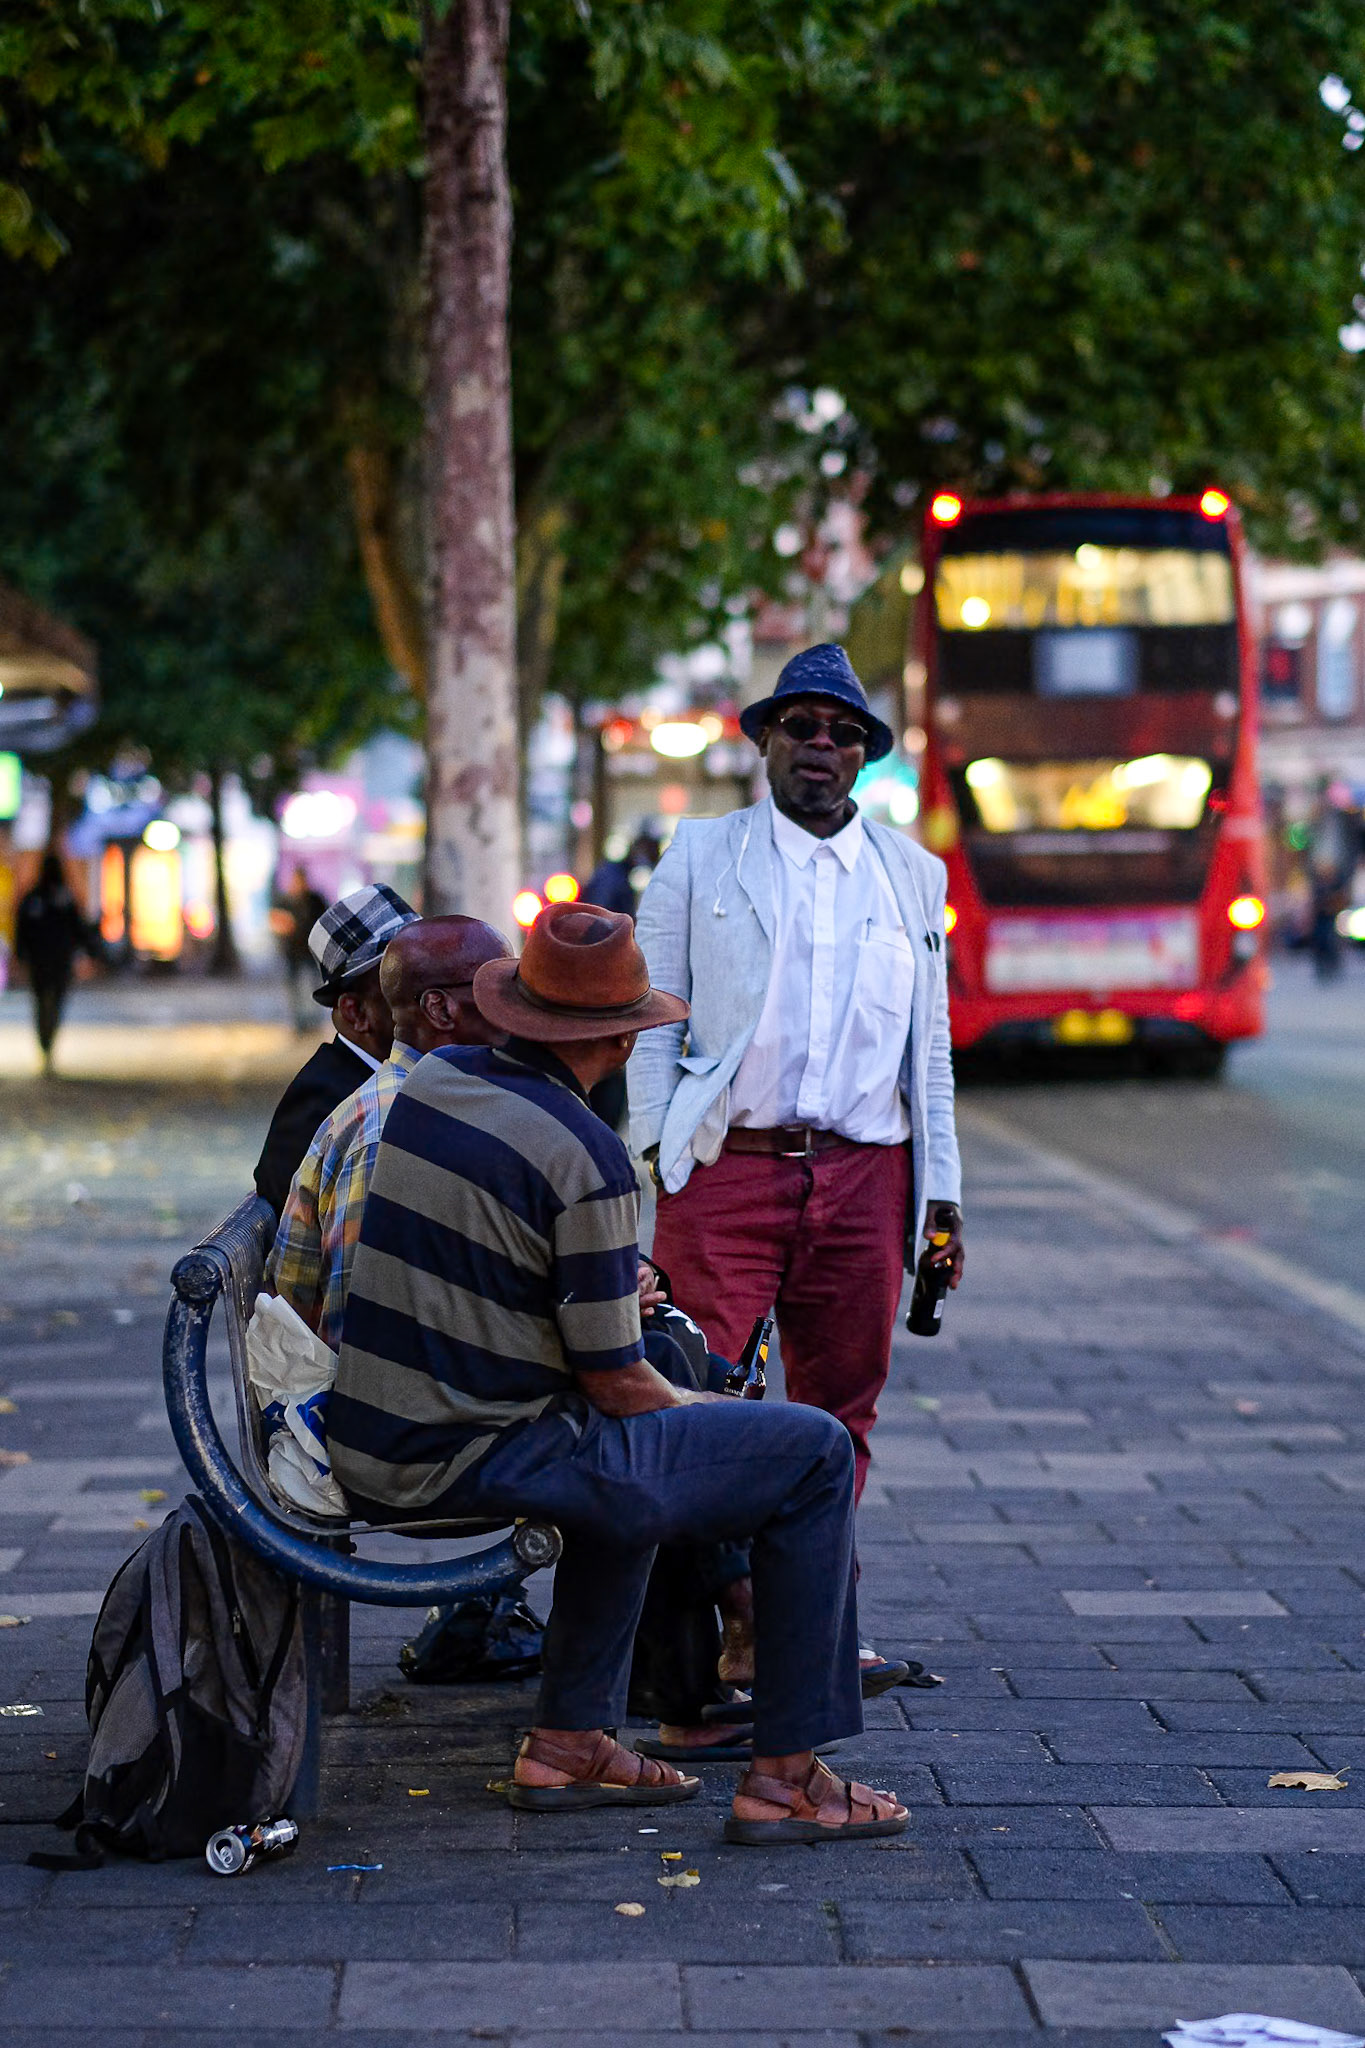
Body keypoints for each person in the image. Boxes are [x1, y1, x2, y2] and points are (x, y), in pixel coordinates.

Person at [330, 902, 907, 1843]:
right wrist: (703, 1405)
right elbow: (617, 1383)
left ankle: (568, 1743)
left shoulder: (438, 1083)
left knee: (647, 1452)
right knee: (811, 1452)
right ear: (620, 1039)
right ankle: (788, 1782)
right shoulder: (587, 1155)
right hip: (465, 1451)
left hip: (380, 1429)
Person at [629, 641, 963, 1686]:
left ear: (863, 754)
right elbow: (652, 1019)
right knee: (695, 1396)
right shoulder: (701, 853)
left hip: (868, 1173)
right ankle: (741, 1616)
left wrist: (942, 1200)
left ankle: (808, 1623)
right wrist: (656, 1153)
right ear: (766, 739)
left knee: (840, 1408)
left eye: (843, 732)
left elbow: (930, 1052)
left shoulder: (913, 875)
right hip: (727, 1164)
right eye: (801, 725)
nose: (821, 745)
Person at [266, 914, 513, 1348]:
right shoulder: (391, 1129)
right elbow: (362, 1330)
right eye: (499, 986)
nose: (514, 1003)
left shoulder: (439, 1098)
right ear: (439, 1008)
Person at [253, 883, 418, 1219]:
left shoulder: (385, 1074)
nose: (433, 1003)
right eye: (407, 986)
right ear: (355, 1012)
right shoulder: (323, 1100)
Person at [14, 852, 95, 1076]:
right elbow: (79, 929)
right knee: (51, 1002)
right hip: (55, 961)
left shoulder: (38, 898)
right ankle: (47, 1042)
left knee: (44, 1002)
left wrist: (21, 955)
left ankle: (46, 1042)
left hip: (45, 961)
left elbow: (22, 931)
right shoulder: (58, 898)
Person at [270, 865, 328, 1033]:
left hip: (312, 950)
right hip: (293, 952)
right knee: (295, 986)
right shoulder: (287, 900)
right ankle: (299, 1021)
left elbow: (325, 920)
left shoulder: (315, 900)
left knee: (313, 985)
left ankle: (314, 1019)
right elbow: (275, 921)